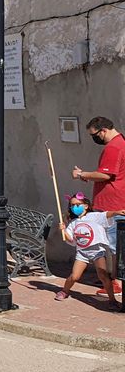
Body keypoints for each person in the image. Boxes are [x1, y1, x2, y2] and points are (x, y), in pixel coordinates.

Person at [73, 116, 125, 297]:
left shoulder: (114, 147)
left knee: (115, 246)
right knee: (114, 244)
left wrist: (81, 174)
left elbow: (106, 175)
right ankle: (112, 278)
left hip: (113, 204)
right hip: (115, 202)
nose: (94, 139)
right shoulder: (121, 143)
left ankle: (117, 283)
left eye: (94, 135)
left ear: (103, 130)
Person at [56, 193, 125, 309]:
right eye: (72, 205)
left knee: (103, 276)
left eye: (78, 204)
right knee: (74, 276)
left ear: (86, 205)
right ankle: (64, 291)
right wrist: (63, 230)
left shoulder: (94, 216)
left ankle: (112, 300)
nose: (75, 207)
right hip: (82, 253)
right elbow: (69, 238)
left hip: (97, 251)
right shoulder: (73, 223)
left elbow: (106, 215)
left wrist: (116, 212)